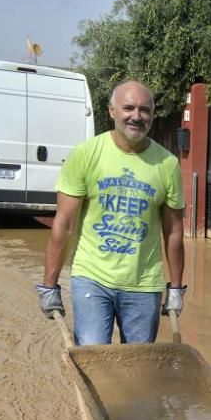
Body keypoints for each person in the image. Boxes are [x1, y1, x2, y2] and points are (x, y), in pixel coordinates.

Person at [36, 80, 186, 345]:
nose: (136, 116)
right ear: (111, 111)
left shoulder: (168, 164)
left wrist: (175, 288)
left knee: (138, 368)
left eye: (145, 110)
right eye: (128, 108)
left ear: (152, 114)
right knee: (93, 358)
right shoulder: (86, 154)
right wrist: (50, 284)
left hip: (144, 284)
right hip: (92, 278)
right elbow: (64, 224)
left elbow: (173, 232)